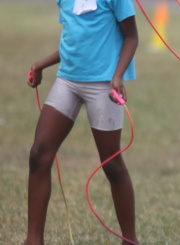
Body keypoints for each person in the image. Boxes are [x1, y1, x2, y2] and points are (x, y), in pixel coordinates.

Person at [24, 0, 139, 244]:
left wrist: (117, 76)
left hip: (103, 83)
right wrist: (40, 64)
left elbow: (131, 37)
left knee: (112, 164)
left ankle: (130, 240)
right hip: (68, 81)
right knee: (39, 154)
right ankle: (33, 240)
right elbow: (75, 40)